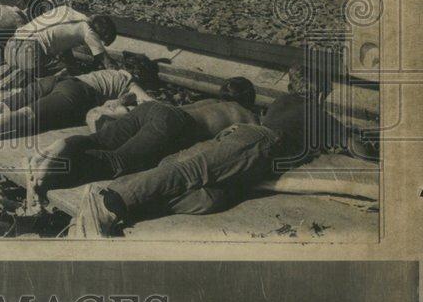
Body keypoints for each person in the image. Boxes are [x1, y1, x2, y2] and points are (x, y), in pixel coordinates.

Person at [69, 65, 376, 238]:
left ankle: (130, 205)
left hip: (247, 146)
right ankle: (113, 201)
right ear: (321, 92)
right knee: (192, 170)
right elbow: (359, 151)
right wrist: (354, 135)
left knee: (208, 198)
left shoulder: (283, 102)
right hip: (258, 142)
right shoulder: (317, 112)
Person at [27, 77, 258, 194]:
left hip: (153, 109)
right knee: (119, 162)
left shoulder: (212, 101)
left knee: (100, 140)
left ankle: (64, 144)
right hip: (171, 122)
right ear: (251, 99)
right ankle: (58, 169)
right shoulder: (247, 116)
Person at [0, 67, 145, 159]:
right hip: (77, 93)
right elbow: (148, 103)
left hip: (56, 81)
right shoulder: (130, 81)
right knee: (26, 115)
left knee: (0, 106)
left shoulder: (111, 71)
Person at [0, 5, 117, 91]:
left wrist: (72, 63)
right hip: (29, 51)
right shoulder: (89, 31)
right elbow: (106, 62)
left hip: (11, 46)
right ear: (101, 32)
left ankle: (6, 74)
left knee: (60, 65)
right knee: (66, 75)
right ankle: (24, 78)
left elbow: (64, 47)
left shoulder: (65, 10)